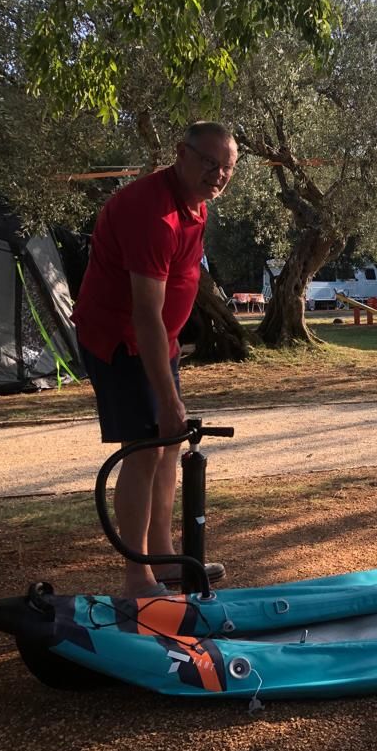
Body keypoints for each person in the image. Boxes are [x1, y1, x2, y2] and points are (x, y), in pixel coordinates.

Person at [73, 122, 237, 597]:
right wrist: (167, 398)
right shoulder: (153, 214)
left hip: (156, 340)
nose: (218, 175)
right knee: (144, 449)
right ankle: (137, 578)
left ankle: (164, 561)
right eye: (209, 163)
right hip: (122, 340)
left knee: (168, 444)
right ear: (181, 153)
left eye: (226, 168)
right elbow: (144, 314)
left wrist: (171, 353)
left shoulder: (195, 203)